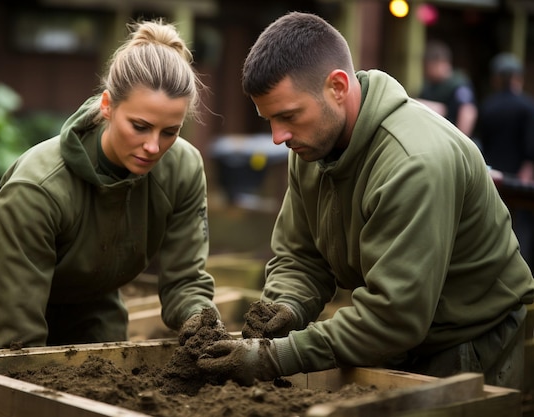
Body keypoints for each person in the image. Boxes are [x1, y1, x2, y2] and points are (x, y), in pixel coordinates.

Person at [197, 12, 534, 389]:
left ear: (337, 87)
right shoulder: (311, 146)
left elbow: (394, 318)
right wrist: (283, 310)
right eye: (269, 120)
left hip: (468, 344)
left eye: (288, 116)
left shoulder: (413, 162)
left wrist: (276, 357)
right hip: (397, 336)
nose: (278, 137)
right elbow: (300, 257)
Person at [0, 19, 219, 351]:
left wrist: (201, 324)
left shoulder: (183, 169)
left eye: (169, 132)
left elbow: (186, 280)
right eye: (140, 126)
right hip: (0, 293)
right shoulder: (38, 187)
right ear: (107, 106)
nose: (153, 146)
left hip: (91, 296)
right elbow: (20, 334)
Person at [476, 52, 534, 266]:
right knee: (521, 229)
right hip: (520, 180)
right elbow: (531, 147)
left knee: (494, 226)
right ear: (517, 78)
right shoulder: (527, 106)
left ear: (497, 79)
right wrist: (525, 178)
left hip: (494, 179)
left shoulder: (489, 106)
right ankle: (522, 269)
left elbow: (481, 144)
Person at [417, 40, 478, 137]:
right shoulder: (429, 86)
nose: (425, 70)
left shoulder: (458, 84)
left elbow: (467, 112)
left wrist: (460, 142)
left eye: (427, 66)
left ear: (439, 62)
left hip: (451, 139)